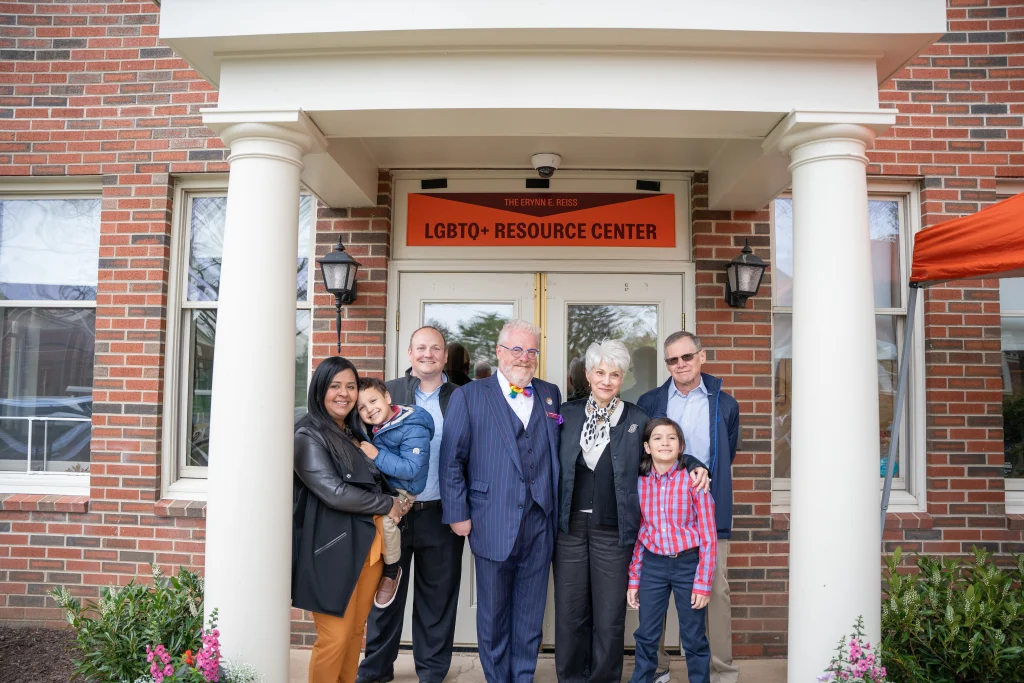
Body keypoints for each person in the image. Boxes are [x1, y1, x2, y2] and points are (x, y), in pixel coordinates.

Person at [555, 339, 709, 683]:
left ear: (622, 378)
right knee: (570, 611)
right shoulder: (566, 415)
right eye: (600, 372)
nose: (607, 380)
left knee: (609, 613)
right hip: (569, 528)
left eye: (615, 374)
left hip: (614, 529)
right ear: (588, 374)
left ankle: (604, 678)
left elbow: (666, 445)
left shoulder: (637, 418)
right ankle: (571, 677)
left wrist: (698, 466)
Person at [440, 319, 562, 683]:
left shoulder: (550, 393)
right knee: (493, 614)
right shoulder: (469, 396)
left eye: (531, 351)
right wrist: (457, 514)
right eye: (516, 350)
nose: (524, 358)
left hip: (540, 521)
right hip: (490, 519)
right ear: (499, 352)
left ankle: (522, 676)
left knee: (530, 613)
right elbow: (451, 461)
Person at [292, 356, 409, 683]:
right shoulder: (308, 433)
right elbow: (333, 491)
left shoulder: (352, 430)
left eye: (350, 386)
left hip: (369, 550)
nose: (343, 393)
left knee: (356, 633)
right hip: (330, 551)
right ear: (320, 389)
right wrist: (387, 503)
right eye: (335, 386)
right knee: (335, 638)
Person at [357, 326, 464, 683]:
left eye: (435, 348)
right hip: (391, 513)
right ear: (409, 353)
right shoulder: (385, 393)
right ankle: (375, 671)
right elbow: (356, 442)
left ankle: (432, 672)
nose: (428, 354)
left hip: (441, 514)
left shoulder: (463, 397)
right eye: (421, 348)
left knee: (437, 601)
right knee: (384, 595)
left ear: (445, 356)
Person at [638, 331, 740, 683]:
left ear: (702, 357)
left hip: (708, 513)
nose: (680, 364)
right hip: (662, 514)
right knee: (656, 592)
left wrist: (703, 475)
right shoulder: (651, 401)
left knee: (713, 591)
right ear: (666, 364)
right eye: (672, 359)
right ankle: (659, 667)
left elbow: (727, 453)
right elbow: (643, 450)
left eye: (687, 357)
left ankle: (721, 672)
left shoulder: (724, 403)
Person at [627, 418, 717, 683]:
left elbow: (709, 536)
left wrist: (703, 582)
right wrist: (634, 579)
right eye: (657, 438)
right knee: (646, 634)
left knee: (693, 636)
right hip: (653, 567)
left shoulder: (694, 481)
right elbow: (640, 534)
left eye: (671, 438)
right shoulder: (639, 483)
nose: (664, 443)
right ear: (646, 446)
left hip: (688, 565)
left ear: (681, 447)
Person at [355, 376, 434, 609]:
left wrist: (376, 455)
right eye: (362, 407)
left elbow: (411, 469)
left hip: (403, 488)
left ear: (387, 397)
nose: (369, 409)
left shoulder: (413, 425)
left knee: (387, 519)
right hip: (384, 484)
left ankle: (391, 570)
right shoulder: (373, 425)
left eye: (373, 401)